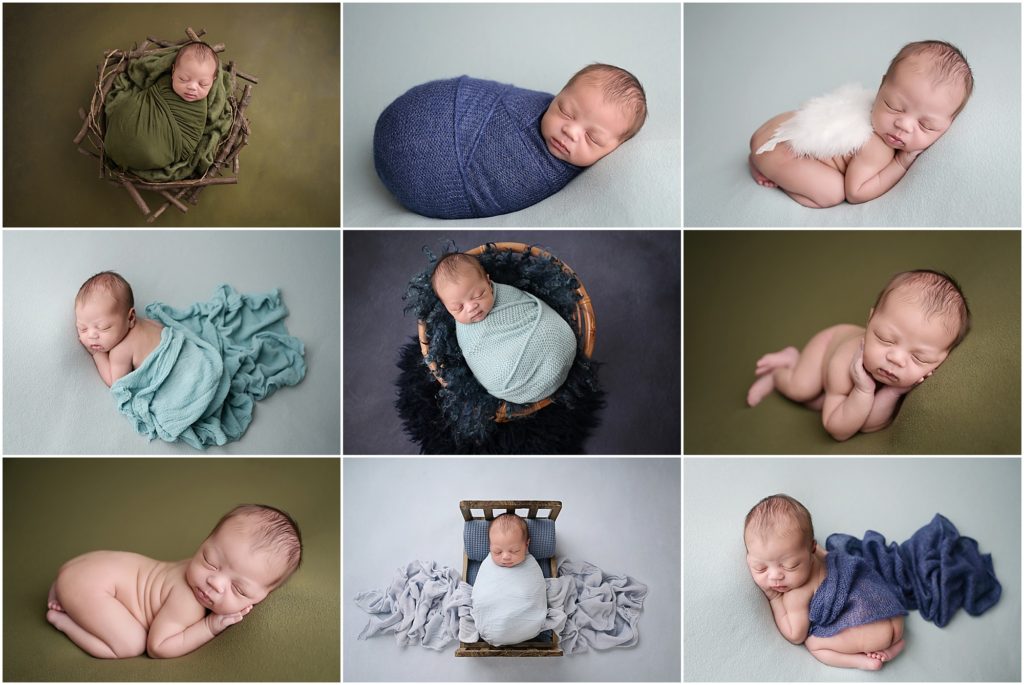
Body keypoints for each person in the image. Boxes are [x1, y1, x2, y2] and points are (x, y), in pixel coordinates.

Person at [46, 504, 302, 659]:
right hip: (91, 586)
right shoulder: (187, 601)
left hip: (86, 566)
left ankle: (62, 587)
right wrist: (210, 626)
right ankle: (62, 618)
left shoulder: (195, 573)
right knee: (130, 645)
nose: (214, 582)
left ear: (263, 596)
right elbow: (158, 647)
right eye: (209, 561)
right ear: (204, 542)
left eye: (238, 588)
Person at [746, 269, 970, 441]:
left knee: (819, 403)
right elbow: (836, 429)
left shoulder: (902, 378)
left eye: (920, 358)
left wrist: (893, 392)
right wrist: (863, 389)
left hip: (841, 395)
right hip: (826, 347)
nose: (896, 359)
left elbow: (869, 424)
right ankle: (778, 373)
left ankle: (794, 360)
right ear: (870, 320)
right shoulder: (844, 363)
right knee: (802, 389)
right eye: (884, 338)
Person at [749, 40, 973, 207]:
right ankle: (766, 168)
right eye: (894, 106)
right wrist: (901, 163)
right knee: (832, 193)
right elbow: (855, 192)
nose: (903, 125)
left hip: (778, 126)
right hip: (777, 148)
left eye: (926, 125)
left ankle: (765, 163)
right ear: (881, 86)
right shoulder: (877, 147)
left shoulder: (867, 104)